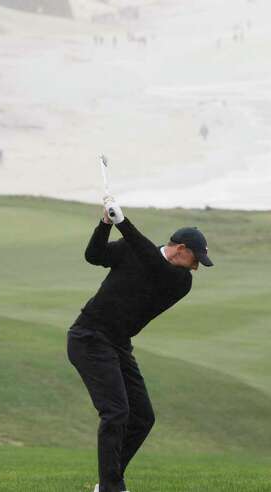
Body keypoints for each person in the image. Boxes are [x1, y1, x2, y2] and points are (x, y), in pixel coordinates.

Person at [69, 197, 212, 492]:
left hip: (118, 344)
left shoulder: (179, 280)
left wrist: (123, 222)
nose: (196, 266)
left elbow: (152, 263)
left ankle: (109, 482)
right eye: (195, 258)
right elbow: (94, 256)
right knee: (116, 412)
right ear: (181, 249)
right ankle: (111, 487)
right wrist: (106, 224)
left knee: (142, 417)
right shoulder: (133, 250)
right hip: (89, 337)